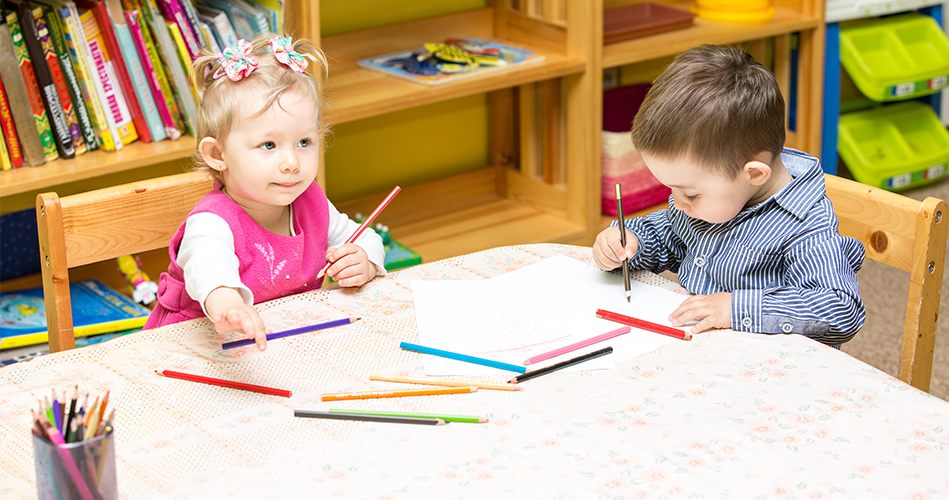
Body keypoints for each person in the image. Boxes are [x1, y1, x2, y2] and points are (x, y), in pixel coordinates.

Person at [592, 44, 865, 346]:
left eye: (691, 195)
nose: (678, 204)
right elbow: (673, 235)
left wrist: (737, 309)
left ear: (754, 175)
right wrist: (630, 243)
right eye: (671, 189)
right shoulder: (719, 197)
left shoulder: (806, 225)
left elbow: (840, 310)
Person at [144, 36, 386, 350]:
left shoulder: (310, 201)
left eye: (304, 142)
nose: (291, 163)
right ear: (218, 154)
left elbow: (364, 237)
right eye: (268, 145)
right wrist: (230, 304)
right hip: (195, 347)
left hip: (275, 341)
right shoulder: (211, 222)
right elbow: (210, 271)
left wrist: (364, 260)